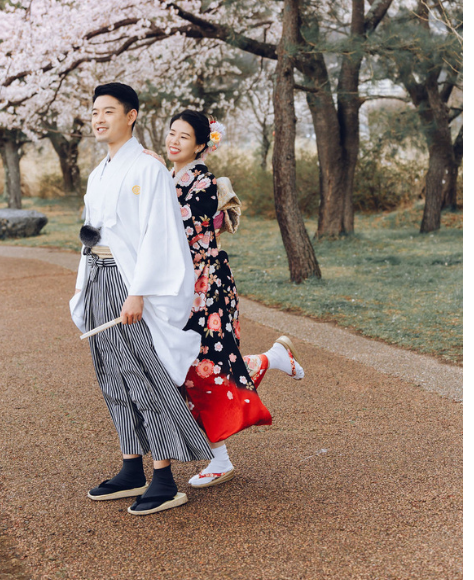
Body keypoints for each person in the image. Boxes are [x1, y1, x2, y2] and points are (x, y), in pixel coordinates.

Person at [71, 83, 213, 515]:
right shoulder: (99, 174)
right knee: (111, 373)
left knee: (144, 375)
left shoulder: (148, 169)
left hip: (131, 283)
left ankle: (165, 478)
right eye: (94, 112)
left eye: (108, 111)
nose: (99, 119)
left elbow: (160, 236)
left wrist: (138, 292)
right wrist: (84, 287)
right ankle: (132, 466)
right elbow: (92, 235)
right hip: (99, 277)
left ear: (131, 116)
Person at [163, 110, 305, 488]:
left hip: (204, 284)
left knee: (200, 367)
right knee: (196, 365)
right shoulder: (170, 178)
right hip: (179, 283)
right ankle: (272, 358)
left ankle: (219, 458)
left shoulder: (204, 184)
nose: (174, 140)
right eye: (171, 133)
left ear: (201, 145)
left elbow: (176, 227)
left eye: (184, 136)